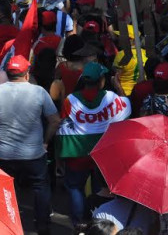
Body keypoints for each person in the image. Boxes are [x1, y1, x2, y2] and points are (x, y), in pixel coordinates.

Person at [0, 55, 61, 235]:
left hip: (4, 153)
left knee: (7, 190)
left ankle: (8, 225)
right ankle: (43, 225)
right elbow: (55, 121)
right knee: (40, 187)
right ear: (27, 73)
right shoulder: (39, 92)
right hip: (34, 153)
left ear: (7, 73)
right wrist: (45, 142)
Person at [57, 62, 131, 226]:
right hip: (103, 154)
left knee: (75, 188)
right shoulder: (111, 98)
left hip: (77, 153)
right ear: (101, 81)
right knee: (101, 190)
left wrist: (60, 157)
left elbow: (63, 127)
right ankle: (100, 225)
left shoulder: (71, 99)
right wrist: (118, 88)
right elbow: (127, 106)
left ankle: (78, 225)